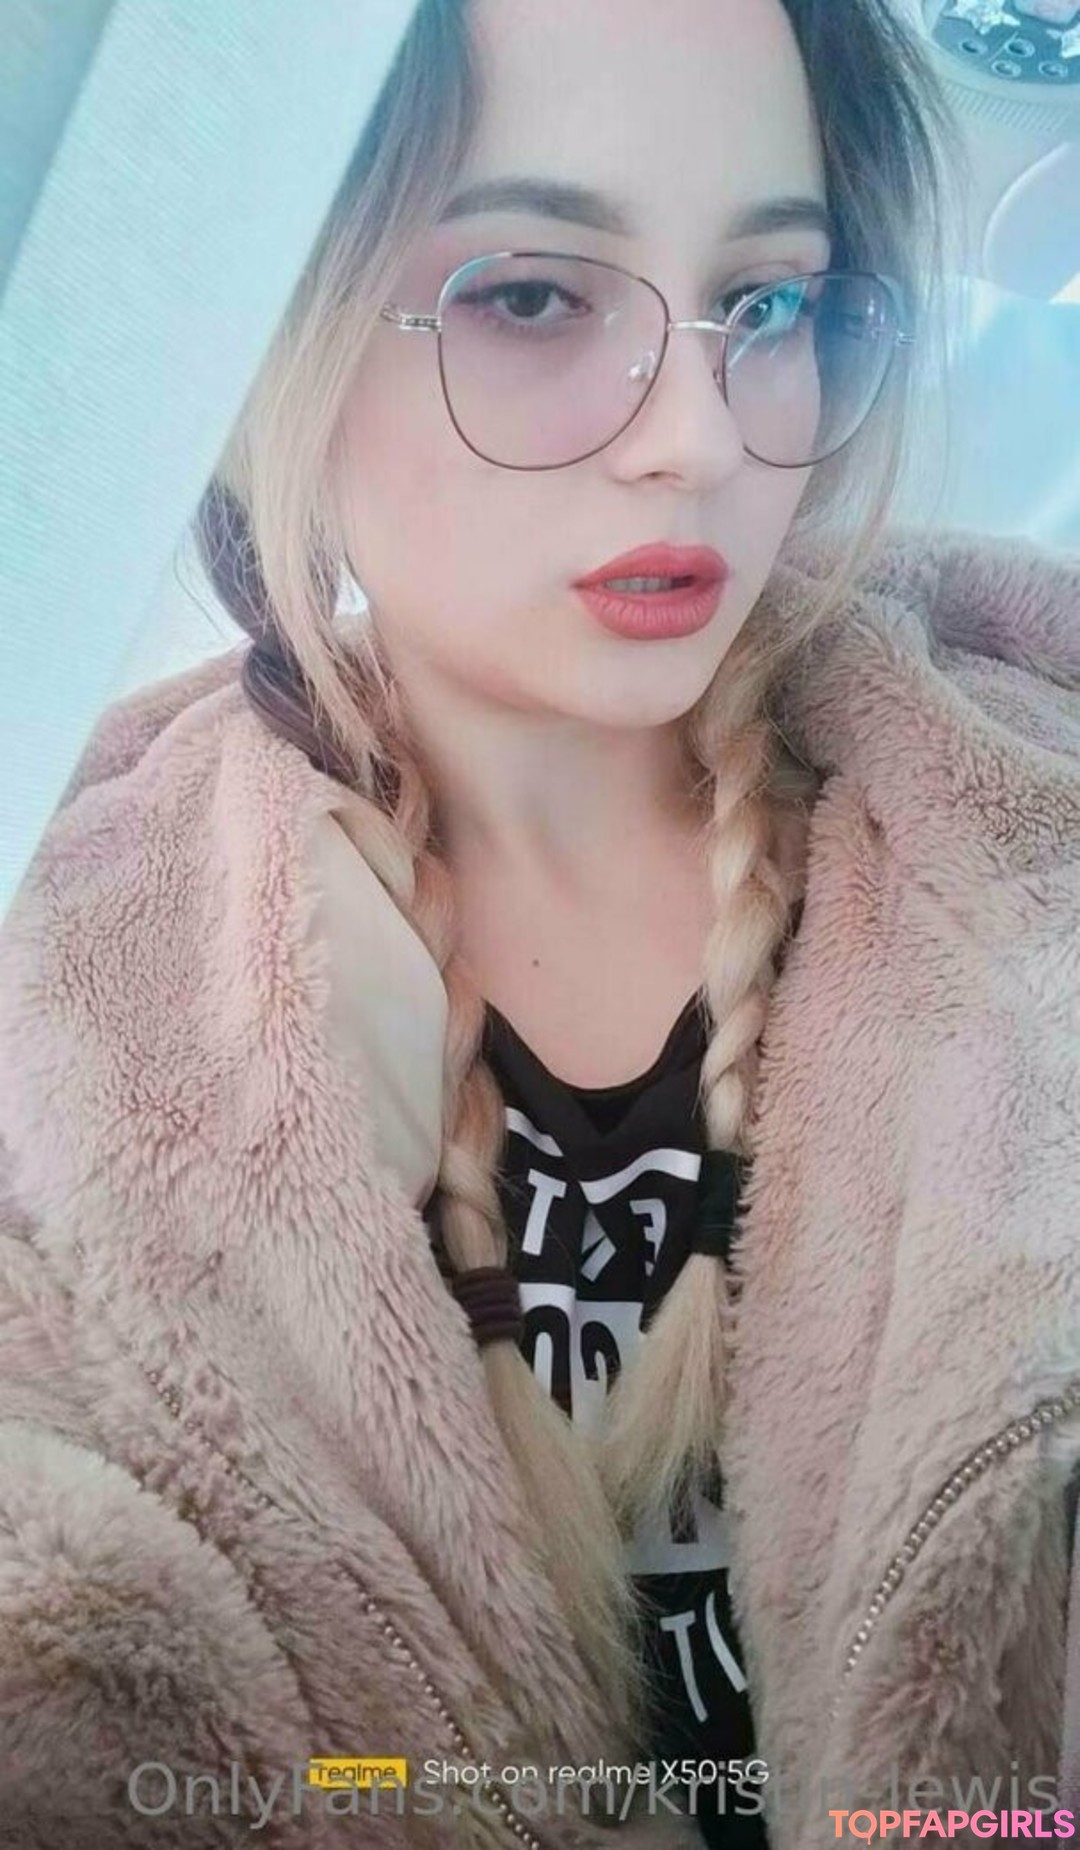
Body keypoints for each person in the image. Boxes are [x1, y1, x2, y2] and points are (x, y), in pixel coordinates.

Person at [0, 2, 1078, 1846]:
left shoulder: (1026, 833)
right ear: (275, 320)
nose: (696, 437)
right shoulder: (65, 1014)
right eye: (528, 295)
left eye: (768, 304)